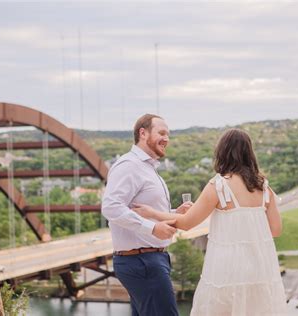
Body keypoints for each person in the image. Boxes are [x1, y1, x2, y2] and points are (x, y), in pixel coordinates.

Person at [133, 128, 288, 316]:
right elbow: (276, 230)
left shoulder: (219, 186)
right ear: (249, 153)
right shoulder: (264, 187)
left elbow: (186, 223)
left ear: (222, 152)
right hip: (258, 269)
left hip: (226, 269)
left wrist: (153, 213)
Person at [102, 113, 191, 316]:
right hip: (142, 262)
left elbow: (139, 210)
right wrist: (152, 228)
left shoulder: (146, 168)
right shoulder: (129, 166)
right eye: (161, 132)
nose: (166, 138)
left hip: (149, 260)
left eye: (168, 134)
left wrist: (174, 214)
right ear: (143, 133)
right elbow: (111, 207)